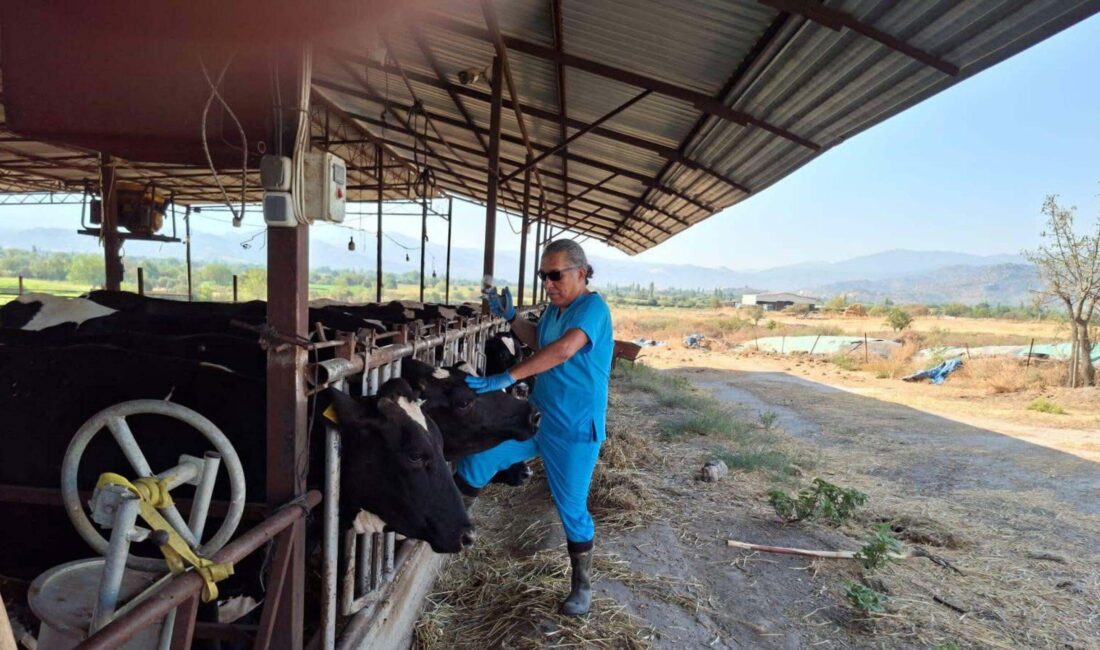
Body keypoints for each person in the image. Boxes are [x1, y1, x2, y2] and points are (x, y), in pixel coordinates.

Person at [454, 239, 613, 617]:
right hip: (537, 417)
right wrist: (512, 319)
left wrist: (505, 377)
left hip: (574, 427)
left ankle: (582, 586)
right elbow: (540, 340)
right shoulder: (556, 310)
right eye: (544, 276)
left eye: (555, 275)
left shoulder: (593, 309)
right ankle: (455, 530)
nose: (548, 284)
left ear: (581, 273)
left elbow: (563, 350)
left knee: (571, 507)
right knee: (477, 459)